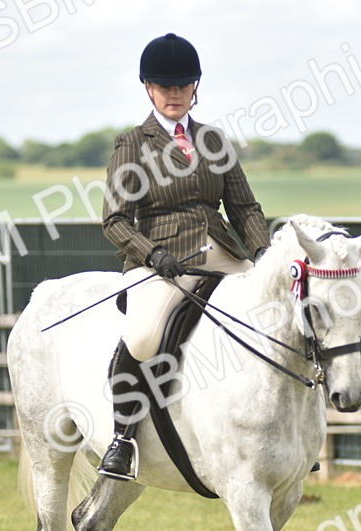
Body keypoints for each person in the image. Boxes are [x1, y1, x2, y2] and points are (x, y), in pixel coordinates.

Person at [98, 32, 271, 481]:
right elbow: (115, 219)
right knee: (142, 336)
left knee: (277, 313)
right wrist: (150, 254)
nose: (174, 94)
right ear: (148, 88)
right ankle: (122, 439)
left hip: (222, 251)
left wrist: (265, 255)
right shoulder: (132, 144)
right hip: (164, 262)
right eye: (164, 86)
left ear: (196, 86)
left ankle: (290, 429)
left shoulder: (214, 141)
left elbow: (244, 208)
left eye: (183, 85)